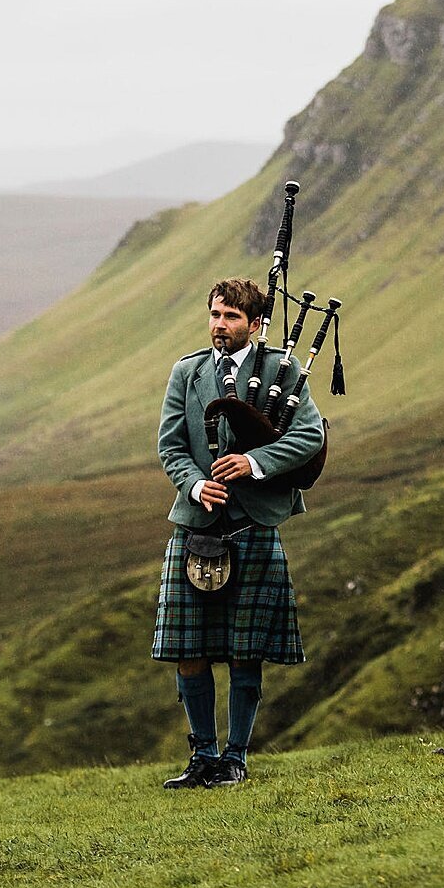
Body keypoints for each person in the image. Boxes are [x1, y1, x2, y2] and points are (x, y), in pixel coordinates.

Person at [151, 276, 324, 789]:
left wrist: (254, 462)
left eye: (230, 317)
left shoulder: (281, 371)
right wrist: (196, 484)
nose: (219, 325)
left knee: (246, 648)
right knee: (189, 649)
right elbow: (171, 445)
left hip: (254, 523)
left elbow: (311, 435)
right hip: (197, 524)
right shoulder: (188, 373)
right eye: (214, 314)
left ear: (253, 323)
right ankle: (202, 756)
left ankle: (235, 758)